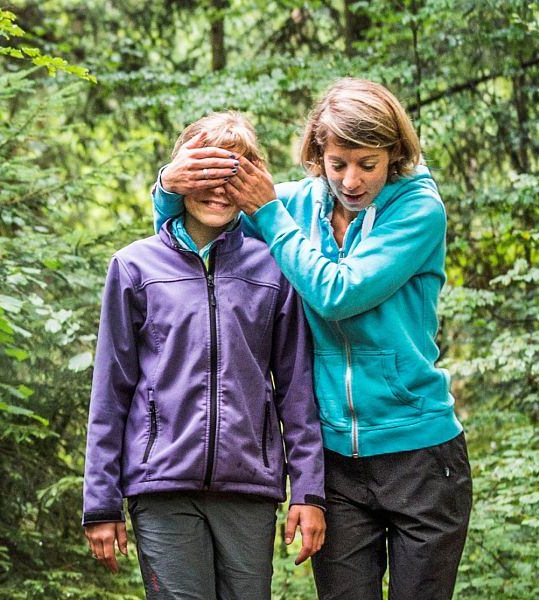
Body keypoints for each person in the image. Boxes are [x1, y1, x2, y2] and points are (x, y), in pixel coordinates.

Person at [152, 79, 472, 600]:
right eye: (338, 162)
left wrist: (270, 214)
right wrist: (168, 183)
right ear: (318, 154)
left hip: (419, 453)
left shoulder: (418, 210)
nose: (351, 180)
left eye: (368, 164)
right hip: (335, 462)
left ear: (394, 154)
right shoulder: (298, 206)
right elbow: (194, 234)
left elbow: (338, 293)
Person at [83, 111, 326, 600]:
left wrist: (309, 491)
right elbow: (110, 391)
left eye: (232, 176)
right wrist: (101, 503)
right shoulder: (135, 267)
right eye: (205, 173)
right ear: (181, 178)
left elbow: (297, 390)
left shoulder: (276, 267)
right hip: (161, 488)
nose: (217, 189)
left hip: (248, 489)